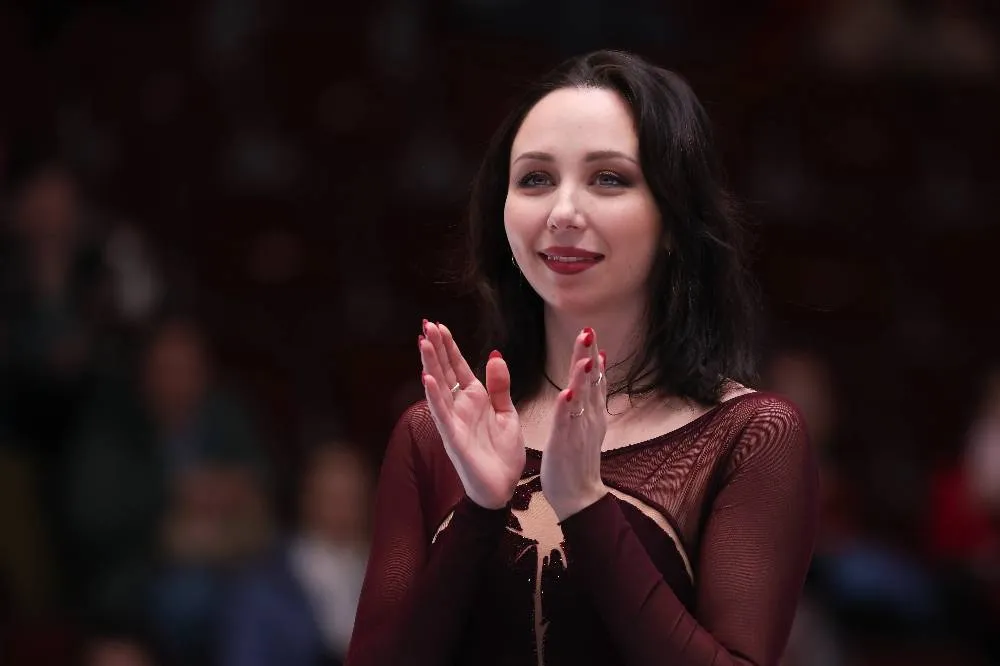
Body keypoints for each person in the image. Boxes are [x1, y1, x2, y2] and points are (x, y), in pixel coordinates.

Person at [345, 50, 818, 666]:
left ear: (675, 217)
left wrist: (584, 505)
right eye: (535, 179)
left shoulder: (750, 434)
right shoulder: (431, 434)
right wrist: (480, 510)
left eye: (609, 179)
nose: (563, 213)